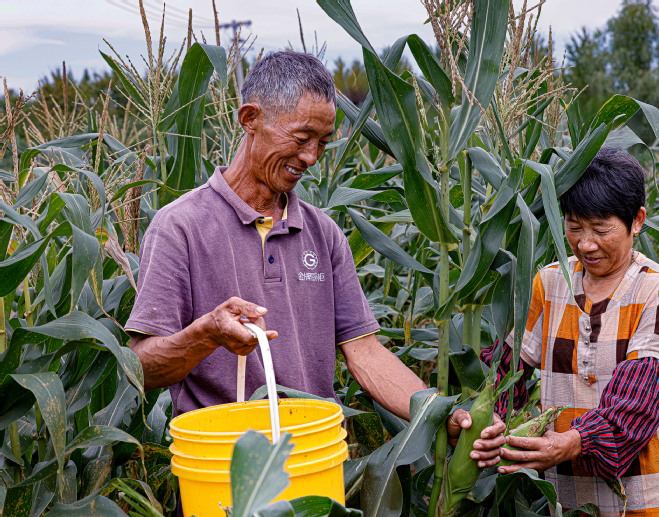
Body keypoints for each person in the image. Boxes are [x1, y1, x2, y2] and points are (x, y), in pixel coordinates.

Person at [125, 51, 505, 468]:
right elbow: (141, 367)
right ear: (250, 119)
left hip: (314, 458)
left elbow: (366, 353)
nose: (311, 157)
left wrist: (441, 413)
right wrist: (206, 334)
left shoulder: (323, 233)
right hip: (224, 467)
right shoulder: (180, 226)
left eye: (322, 143)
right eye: (302, 138)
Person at [485, 148, 659, 516]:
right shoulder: (550, 283)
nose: (585, 244)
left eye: (601, 229)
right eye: (574, 226)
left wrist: (571, 442)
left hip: (646, 492)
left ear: (637, 220)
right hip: (568, 491)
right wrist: (492, 419)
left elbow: (636, 403)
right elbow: (506, 369)